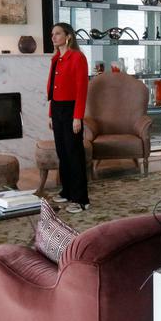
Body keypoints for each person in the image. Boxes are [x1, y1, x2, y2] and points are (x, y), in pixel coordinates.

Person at [47, 22, 90, 213]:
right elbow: (53, 87)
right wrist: (50, 113)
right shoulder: (56, 58)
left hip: (71, 109)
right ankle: (67, 191)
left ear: (68, 36)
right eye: (52, 34)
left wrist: (77, 117)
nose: (53, 37)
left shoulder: (77, 57)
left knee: (74, 153)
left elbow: (82, 90)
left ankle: (81, 199)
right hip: (56, 108)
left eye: (57, 34)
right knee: (62, 152)